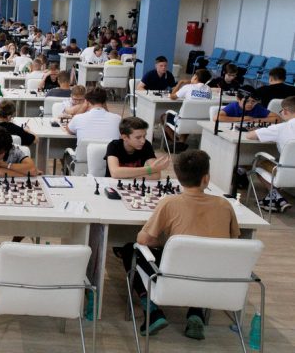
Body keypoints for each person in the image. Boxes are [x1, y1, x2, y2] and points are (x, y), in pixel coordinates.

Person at [120, 150, 239, 340]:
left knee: (129, 250)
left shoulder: (170, 203)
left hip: (173, 276)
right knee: (203, 259)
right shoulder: (225, 205)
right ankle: (196, 313)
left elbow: (143, 240)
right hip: (213, 279)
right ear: (206, 178)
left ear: (178, 178)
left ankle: (152, 311)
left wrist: (166, 241)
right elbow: (232, 241)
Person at [0, 126, 41, 250]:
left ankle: (13, 245)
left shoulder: (15, 151)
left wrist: (5, 164)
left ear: (7, 149)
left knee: (27, 217)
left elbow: (32, 169)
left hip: (17, 191)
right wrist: (25, 173)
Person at [246, 95, 295, 212]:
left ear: (285, 111)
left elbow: (250, 136)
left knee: (259, 163)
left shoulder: (281, 127)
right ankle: (274, 199)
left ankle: (277, 197)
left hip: (286, 171)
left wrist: (256, 129)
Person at [215, 86, 279, 123]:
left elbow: (278, 118)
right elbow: (216, 117)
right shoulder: (234, 106)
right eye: (247, 101)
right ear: (238, 99)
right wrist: (241, 119)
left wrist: (255, 120)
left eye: (253, 101)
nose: (250, 104)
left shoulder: (257, 107)